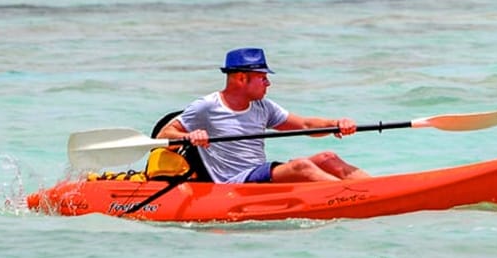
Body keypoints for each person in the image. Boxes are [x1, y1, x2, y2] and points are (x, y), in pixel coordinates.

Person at [156, 47, 368, 183]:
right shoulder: (207, 106)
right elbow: (163, 136)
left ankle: (375, 187)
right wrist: (189, 137)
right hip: (233, 182)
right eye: (263, 78)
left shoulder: (262, 107)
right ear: (242, 78)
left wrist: (336, 124)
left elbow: (304, 125)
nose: (268, 83)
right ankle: (353, 196)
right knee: (301, 166)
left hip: (258, 172)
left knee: (327, 157)